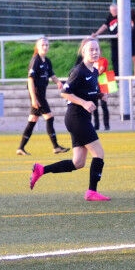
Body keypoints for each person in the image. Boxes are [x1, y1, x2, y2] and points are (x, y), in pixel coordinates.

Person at [30, 37, 110, 201]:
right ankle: (91, 192)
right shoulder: (78, 71)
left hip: (81, 119)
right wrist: (84, 103)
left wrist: (100, 95)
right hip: (76, 118)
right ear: (83, 52)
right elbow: (65, 93)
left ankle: (41, 170)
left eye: (97, 49)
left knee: (78, 163)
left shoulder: (94, 71)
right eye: (91, 49)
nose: (95, 52)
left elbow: (87, 92)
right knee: (99, 154)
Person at [16, 37, 69, 156]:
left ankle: (21, 148)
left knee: (32, 120)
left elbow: (52, 75)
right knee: (49, 117)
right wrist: (34, 99)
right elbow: (30, 80)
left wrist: (58, 82)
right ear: (37, 47)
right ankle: (56, 147)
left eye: (47, 45)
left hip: (41, 95)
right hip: (37, 95)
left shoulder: (47, 61)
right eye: (42, 45)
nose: (45, 47)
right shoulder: (35, 60)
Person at [91, 3, 119, 75]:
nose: (114, 12)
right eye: (112, 11)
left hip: (122, 41)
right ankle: (117, 75)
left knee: (121, 58)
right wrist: (96, 33)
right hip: (114, 40)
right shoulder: (110, 17)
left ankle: (123, 75)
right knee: (114, 58)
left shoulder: (121, 16)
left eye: (115, 11)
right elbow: (104, 26)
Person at [92, 55, 110, 131]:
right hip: (94, 84)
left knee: (104, 105)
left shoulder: (103, 60)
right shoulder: (91, 61)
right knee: (94, 106)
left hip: (103, 83)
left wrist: (91, 75)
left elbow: (101, 70)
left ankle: (106, 125)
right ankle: (96, 125)